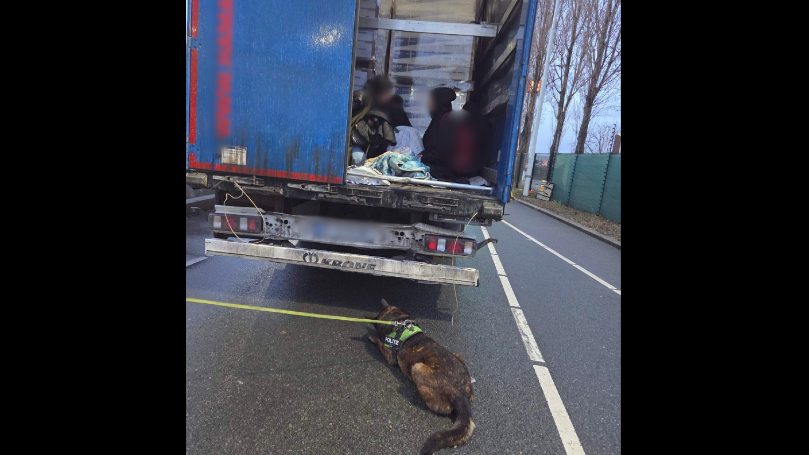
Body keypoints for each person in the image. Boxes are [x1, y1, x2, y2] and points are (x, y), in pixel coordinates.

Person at [419, 88, 487, 182]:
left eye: (431, 101)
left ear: (438, 102)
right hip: (444, 167)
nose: (428, 104)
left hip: (451, 171)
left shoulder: (448, 121)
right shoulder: (440, 119)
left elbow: (444, 151)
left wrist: (423, 157)